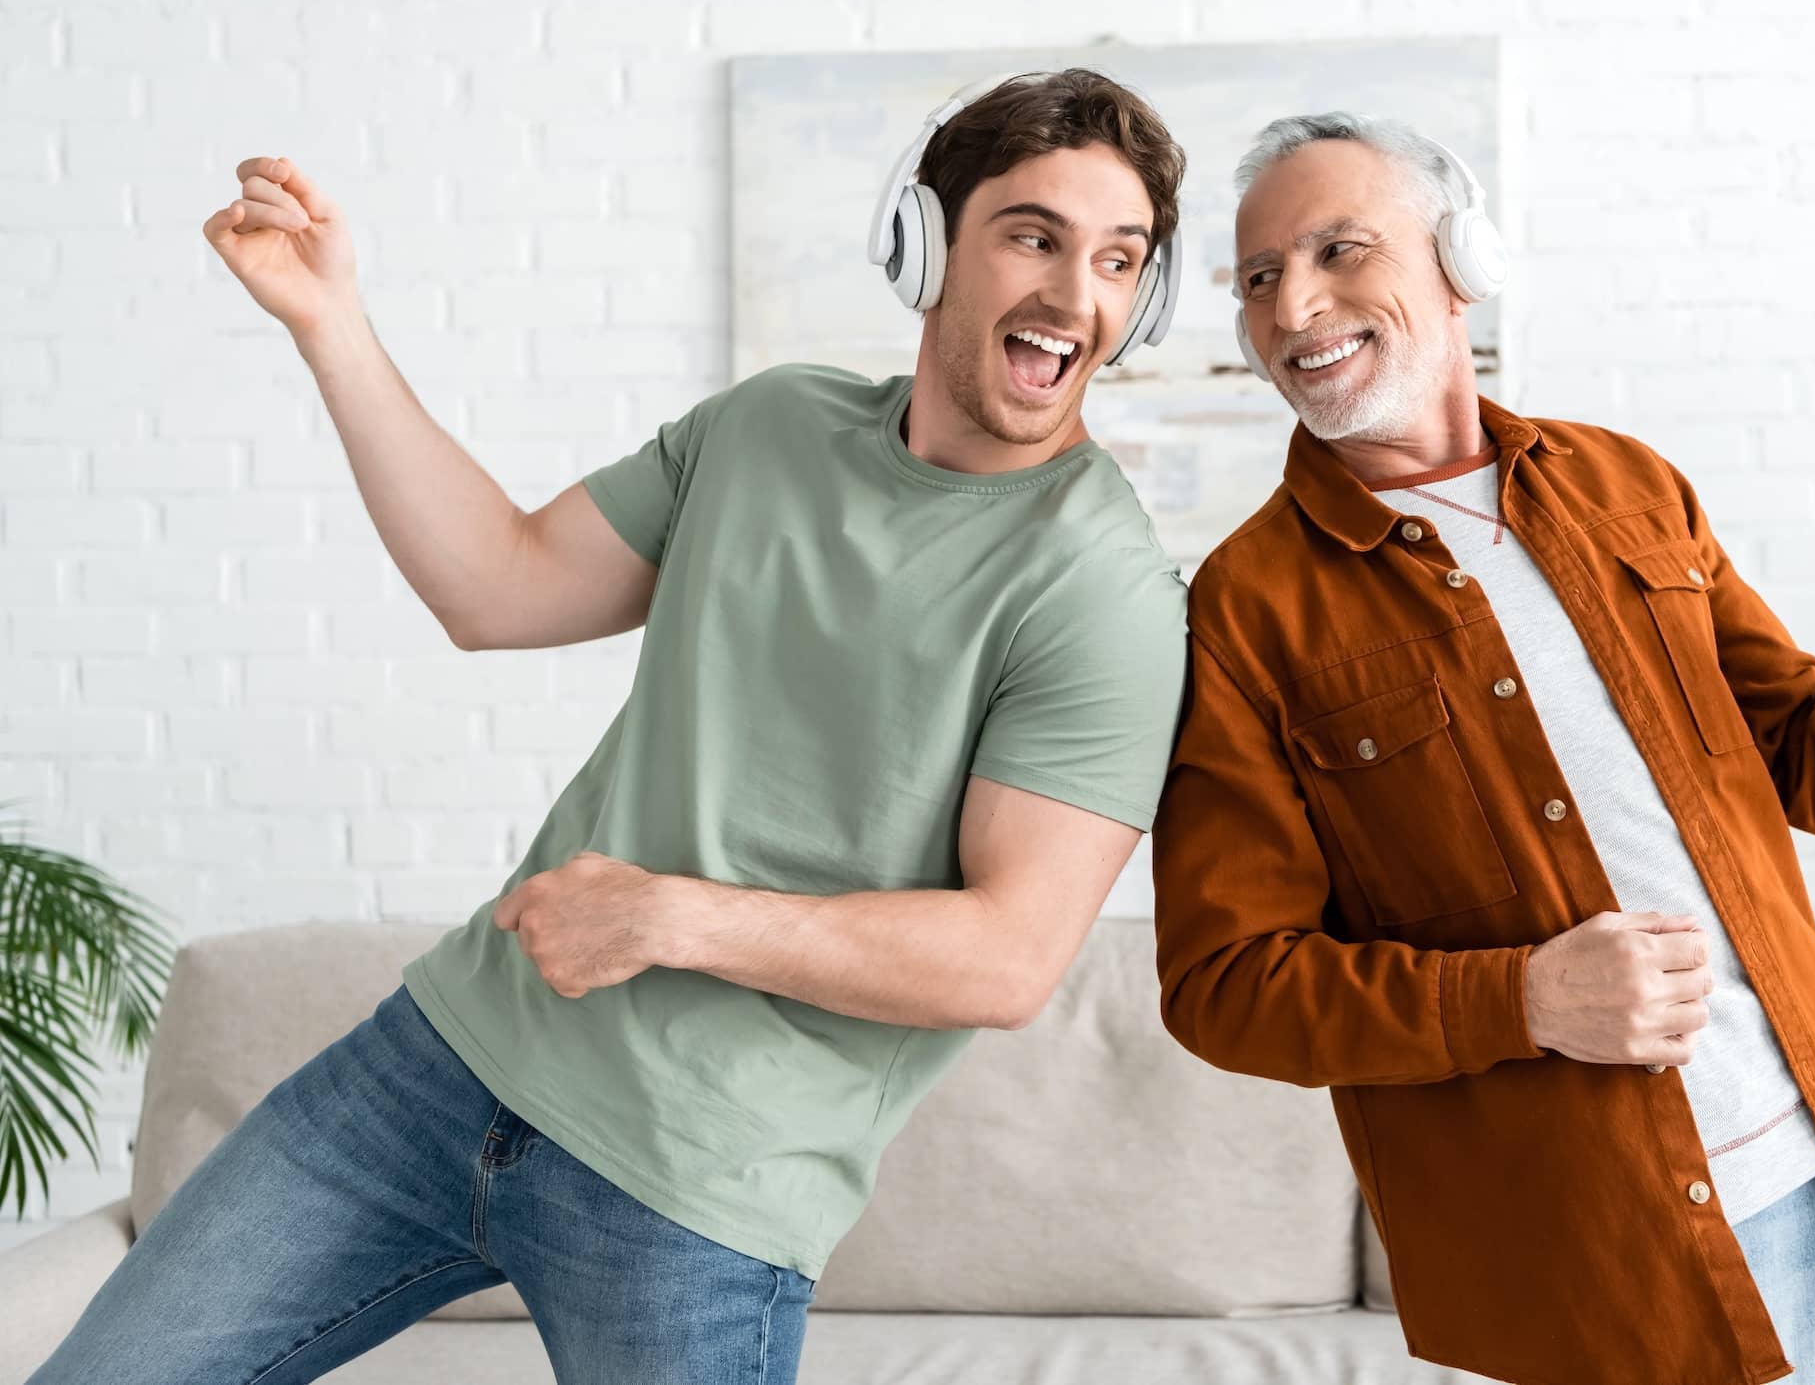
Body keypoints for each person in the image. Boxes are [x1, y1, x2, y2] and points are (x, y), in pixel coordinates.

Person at [34, 68, 1191, 1385]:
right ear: (924, 242)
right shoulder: (770, 427)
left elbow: (1009, 956)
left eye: (1118, 259)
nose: (1075, 294)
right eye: (1034, 235)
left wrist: (672, 917)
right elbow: (497, 582)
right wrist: (332, 324)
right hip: (441, 1063)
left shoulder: (1103, 593)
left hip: (700, 1179)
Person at [1149, 111, 1815, 1384]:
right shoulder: (1246, 610)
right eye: (1257, 279)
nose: (1293, 306)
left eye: (1339, 251)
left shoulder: (1630, 485)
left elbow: (1814, 764)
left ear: (1462, 260)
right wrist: (1521, 1000)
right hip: (1628, 1270)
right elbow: (1224, 983)